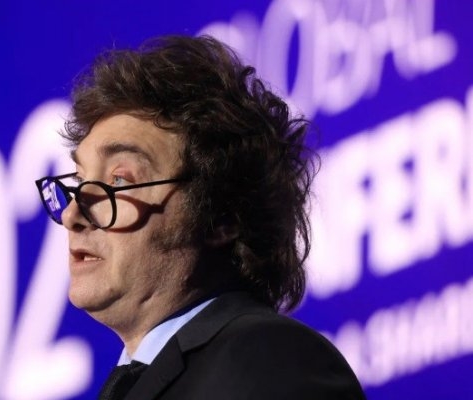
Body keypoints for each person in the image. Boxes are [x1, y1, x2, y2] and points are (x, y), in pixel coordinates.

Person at [36, 34, 366, 399]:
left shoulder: (273, 358)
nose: (73, 214)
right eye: (80, 179)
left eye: (119, 180)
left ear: (221, 217)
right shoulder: (137, 382)